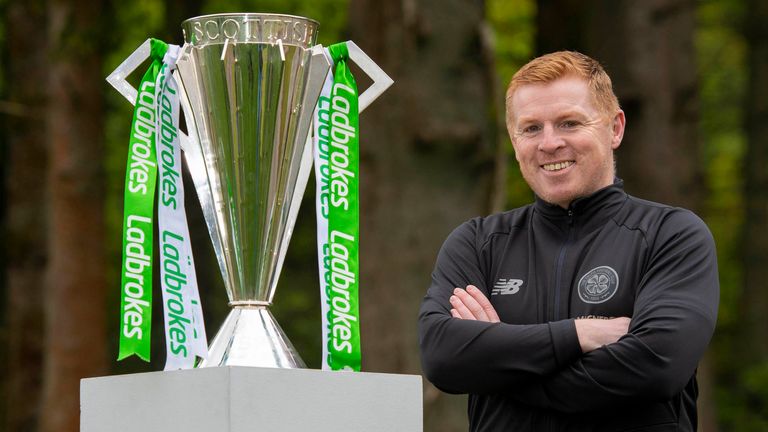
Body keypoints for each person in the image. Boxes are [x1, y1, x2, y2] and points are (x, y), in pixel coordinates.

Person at [418, 51, 719, 431]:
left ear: (615, 128)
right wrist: (580, 334)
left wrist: (497, 361)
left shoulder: (671, 235)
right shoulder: (478, 243)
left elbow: (656, 367)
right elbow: (444, 358)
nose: (549, 143)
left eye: (569, 123)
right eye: (530, 128)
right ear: (514, 141)